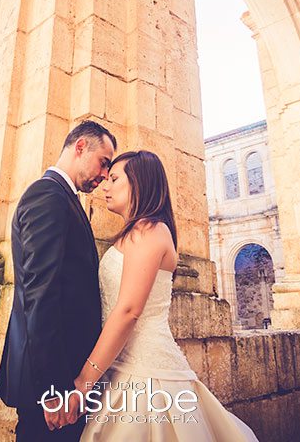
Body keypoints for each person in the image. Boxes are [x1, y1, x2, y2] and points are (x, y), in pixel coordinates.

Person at [75, 150, 260, 440]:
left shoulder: (149, 230)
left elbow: (128, 311)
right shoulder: (138, 232)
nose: (105, 186)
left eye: (114, 179)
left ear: (139, 183)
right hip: (122, 367)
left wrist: (85, 380)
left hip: (147, 371)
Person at [0, 120, 117, 441]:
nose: (104, 175)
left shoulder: (62, 197)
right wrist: (54, 389)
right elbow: (40, 294)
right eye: (104, 162)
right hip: (51, 379)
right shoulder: (48, 196)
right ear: (79, 147)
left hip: (61, 374)